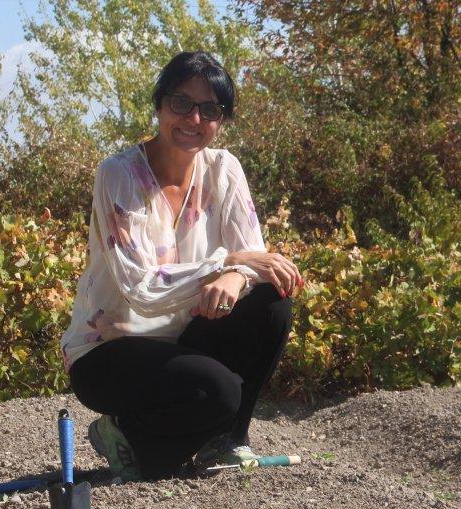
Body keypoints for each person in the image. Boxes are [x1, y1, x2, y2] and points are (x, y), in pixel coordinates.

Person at [60, 51, 303, 481]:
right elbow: (141, 289)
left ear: (221, 120)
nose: (194, 118)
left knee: (272, 302)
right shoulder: (118, 175)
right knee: (219, 391)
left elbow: (256, 258)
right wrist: (226, 261)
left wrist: (235, 272)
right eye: (181, 103)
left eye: (209, 109)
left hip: (183, 339)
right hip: (110, 350)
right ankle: (126, 432)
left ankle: (225, 441)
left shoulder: (224, 169)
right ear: (158, 105)